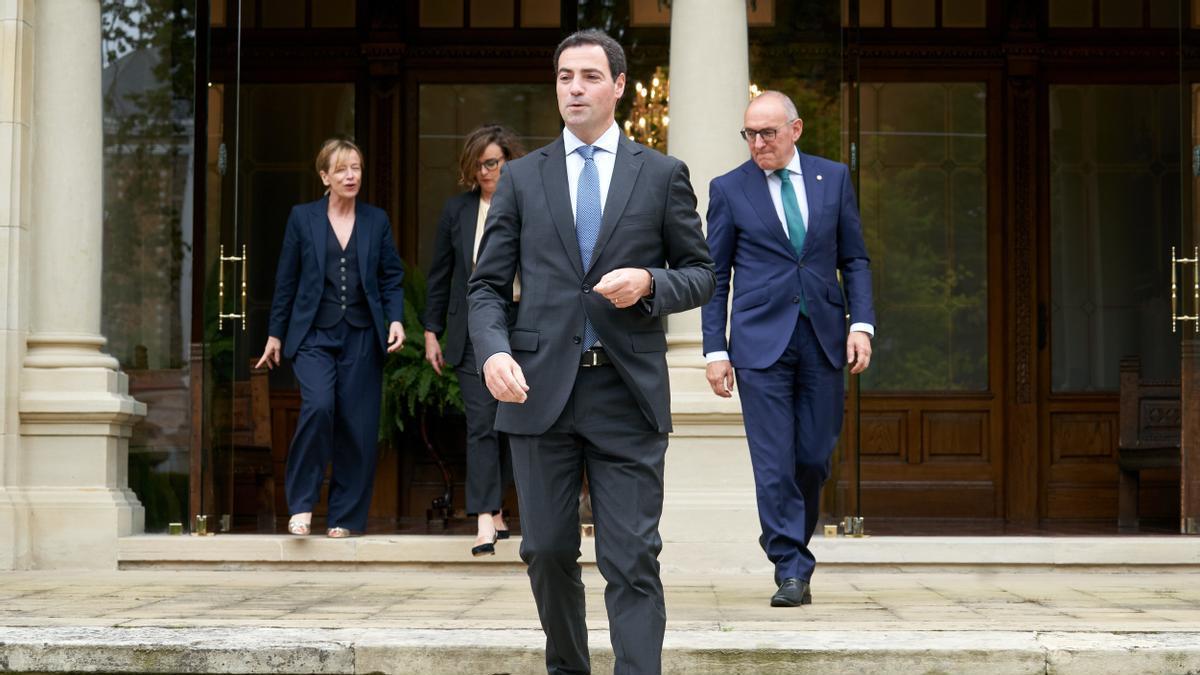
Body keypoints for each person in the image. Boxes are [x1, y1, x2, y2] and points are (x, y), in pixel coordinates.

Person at [468, 29, 715, 675]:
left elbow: (701, 271)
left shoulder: (661, 174)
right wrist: (493, 351)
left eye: (587, 76)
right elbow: (487, 286)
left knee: (631, 557)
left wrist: (651, 283)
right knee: (546, 550)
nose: (573, 88)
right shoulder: (521, 178)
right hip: (537, 390)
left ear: (619, 86)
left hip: (624, 393)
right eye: (563, 77)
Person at [701, 91, 875, 607]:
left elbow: (856, 259)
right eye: (750, 134)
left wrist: (860, 323)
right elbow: (716, 276)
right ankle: (790, 565)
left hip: (822, 336)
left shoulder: (833, 178)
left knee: (814, 456)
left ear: (795, 130)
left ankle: (791, 544)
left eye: (768, 133)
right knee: (773, 460)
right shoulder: (729, 189)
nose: (758, 143)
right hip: (759, 344)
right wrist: (715, 350)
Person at [256, 137, 406, 539]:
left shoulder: (376, 220)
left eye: (355, 167)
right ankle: (302, 504)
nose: (350, 175)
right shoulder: (302, 218)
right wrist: (275, 334)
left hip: (361, 334)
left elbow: (391, 277)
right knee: (319, 406)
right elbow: (285, 281)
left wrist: (395, 320)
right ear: (325, 176)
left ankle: (345, 516)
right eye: (341, 169)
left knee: (357, 426)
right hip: (312, 335)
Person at [421, 124, 525, 557]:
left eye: (493, 163)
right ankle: (484, 518)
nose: (485, 172)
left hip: (523, 324)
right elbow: (440, 274)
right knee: (482, 425)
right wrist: (430, 330)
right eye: (478, 164)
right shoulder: (457, 211)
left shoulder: (527, 203)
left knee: (515, 425)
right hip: (472, 330)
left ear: (508, 162)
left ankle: (499, 510)